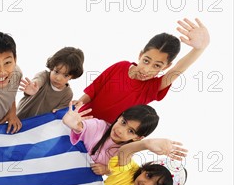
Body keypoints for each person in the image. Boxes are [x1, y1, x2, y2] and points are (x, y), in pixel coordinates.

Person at [76, 18, 210, 123]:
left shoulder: (152, 88)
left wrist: (199, 49)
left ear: (166, 67)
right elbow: (94, 89)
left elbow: (180, 67)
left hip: (102, 135)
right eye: (146, 60)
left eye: (157, 66)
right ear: (140, 55)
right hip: (81, 119)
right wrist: (76, 108)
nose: (147, 69)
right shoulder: (120, 66)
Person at [63, 102, 159, 175]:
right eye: (123, 122)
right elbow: (80, 127)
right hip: (65, 163)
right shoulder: (99, 126)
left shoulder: (125, 153)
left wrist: (106, 170)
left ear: (137, 138)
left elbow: (118, 171)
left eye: (131, 131)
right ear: (120, 116)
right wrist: (72, 123)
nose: (120, 131)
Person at [105, 139, 188, 185]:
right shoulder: (129, 171)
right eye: (148, 176)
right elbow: (124, 152)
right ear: (143, 170)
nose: (146, 184)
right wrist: (146, 144)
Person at [17, 47, 84, 119]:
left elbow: (59, 115)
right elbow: (38, 81)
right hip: (21, 119)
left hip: (39, 126)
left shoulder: (67, 94)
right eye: (56, 72)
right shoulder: (44, 76)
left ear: (72, 76)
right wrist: (33, 86)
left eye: (66, 75)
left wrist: (60, 112)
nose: (58, 78)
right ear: (52, 67)